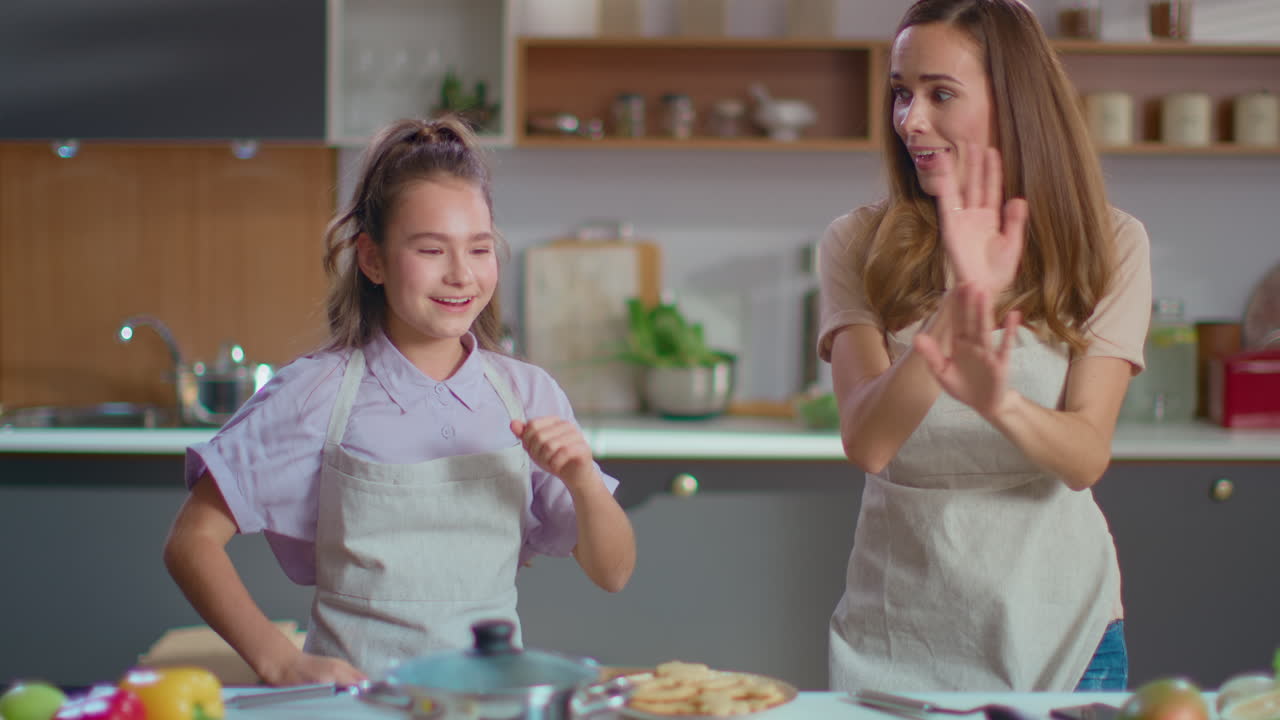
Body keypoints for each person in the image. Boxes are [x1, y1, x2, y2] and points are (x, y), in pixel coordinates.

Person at [163, 116, 637, 686]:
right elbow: (191, 541)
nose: (461, 274)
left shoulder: (529, 393)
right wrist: (277, 657)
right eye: (432, 249)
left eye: (479, 248)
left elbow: (614, 572)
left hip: (484, 703)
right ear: (373, 260)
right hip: (356, 705)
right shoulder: (318, 393)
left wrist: (583, 479)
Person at [817, 0, 1152, 693]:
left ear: (1013, 103)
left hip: (1067, 635)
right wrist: (958, 307)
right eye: (902, 93)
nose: (911, 119)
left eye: (941, 93)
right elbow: (868, 441)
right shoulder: (856, 242)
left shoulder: (1110, 243)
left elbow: (1086, 456)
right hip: (899, 641)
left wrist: (1000, 401)